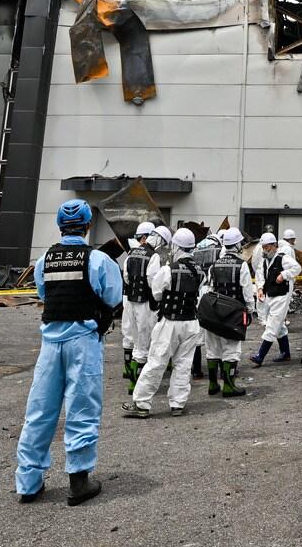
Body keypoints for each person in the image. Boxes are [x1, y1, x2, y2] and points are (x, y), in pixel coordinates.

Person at [16, 200, 123, 505]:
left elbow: (43, 293)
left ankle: (28, 483)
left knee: (38, 412)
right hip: (83, 342)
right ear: (88, 226)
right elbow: (113, 297)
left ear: (60, 226)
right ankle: (79, 481)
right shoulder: (100, 260)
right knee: (82, 410)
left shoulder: (45, 260)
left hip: (50, 344)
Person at [123, 228, 206, 418]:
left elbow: (157, 293)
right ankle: (178, 403)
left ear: (176, 246)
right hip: (191, 323)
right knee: (183, 365)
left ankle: (142, 404)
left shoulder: (168, 269)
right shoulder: (201, 272)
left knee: (156, 362)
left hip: (170, 321)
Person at [201, 227, 253, 397]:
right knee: (231, 350)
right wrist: (250, 311)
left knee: (212, 349)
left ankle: (212, 384)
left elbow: (209, 288)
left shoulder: (214, 265)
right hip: (233, 314)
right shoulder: (242, 265)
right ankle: (229, 387)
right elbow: (247, 291)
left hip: (214, 311)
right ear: (237, 245)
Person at [121, 222, 162, 391]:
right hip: (145, 302)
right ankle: (136, 382)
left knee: (131, 336)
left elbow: (126, 277)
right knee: (144, 340)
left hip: (130, 299)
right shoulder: (153, 255)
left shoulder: (130, 253)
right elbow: (153, 281)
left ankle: (129, 371)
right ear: (145, 237)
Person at [250, 232, 300, 365]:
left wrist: (284, 275)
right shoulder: (265, 261)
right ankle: (285, 353)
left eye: (267, 247)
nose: (265, 250)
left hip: (282, 294)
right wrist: (260, 288)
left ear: (274, 246)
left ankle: (260, 355)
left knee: (272, 325)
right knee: (279, 326)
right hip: (271, 294)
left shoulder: (283, 258)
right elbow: (260, 275)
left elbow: (297, 268)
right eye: (263, 247)